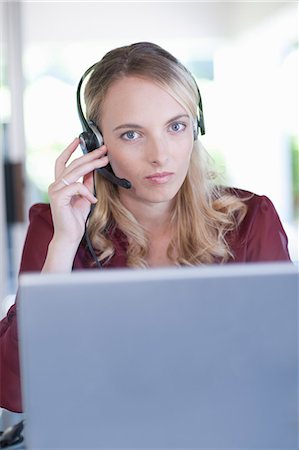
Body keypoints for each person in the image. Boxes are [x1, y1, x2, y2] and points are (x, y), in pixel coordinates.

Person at [0, 42, 290, 413]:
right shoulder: (57, 225)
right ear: (96, 143)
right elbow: (14, 390)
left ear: (196, 128)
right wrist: (64, 245)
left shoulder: (249, 218)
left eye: (176, 126)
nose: (160, 155)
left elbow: (283, 363)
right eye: (131, 134)